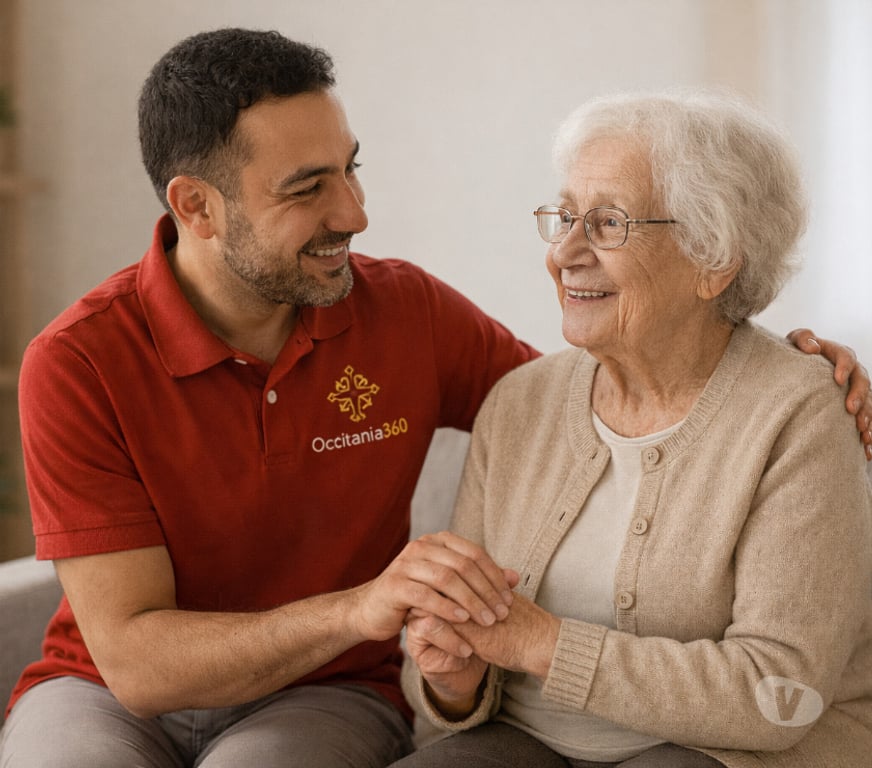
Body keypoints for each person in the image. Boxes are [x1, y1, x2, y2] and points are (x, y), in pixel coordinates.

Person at [0, 30, 867, 768]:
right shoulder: (79, 362)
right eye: (308, 189)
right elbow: (140, 664)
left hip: (324, 690)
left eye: (350, 169)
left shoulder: (407, 313)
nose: (357, 212)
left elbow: (629, 386)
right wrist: (370, 611)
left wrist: (792, 364)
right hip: (109, 691)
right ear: (197, 207)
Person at [397, 91, 872, 768]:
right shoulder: (518, 403)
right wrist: (451, 678)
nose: (564, 253)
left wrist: (542, 645)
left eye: (609, 223)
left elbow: (780, 692)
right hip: (524, 739)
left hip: (721, 752)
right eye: (564, 218)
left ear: (714, 260)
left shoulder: (797, 413)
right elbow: (450, 676)